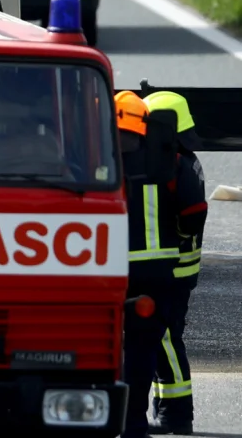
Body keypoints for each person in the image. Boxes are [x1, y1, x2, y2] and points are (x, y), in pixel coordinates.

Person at [115, 91, 181, 438]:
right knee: (142, 352)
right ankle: (134, 425)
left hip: (108, 273)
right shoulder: (169, 162)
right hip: (155, 276)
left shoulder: (95, 161)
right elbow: (191, 213)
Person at [144, 91, 209, 435]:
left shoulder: (177, 164)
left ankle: (176, 413)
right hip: (180, 269)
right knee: (163, 340)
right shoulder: (185, 158)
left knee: (165, 339)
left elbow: (192, 217)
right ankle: (165, 408)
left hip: (172, 270)